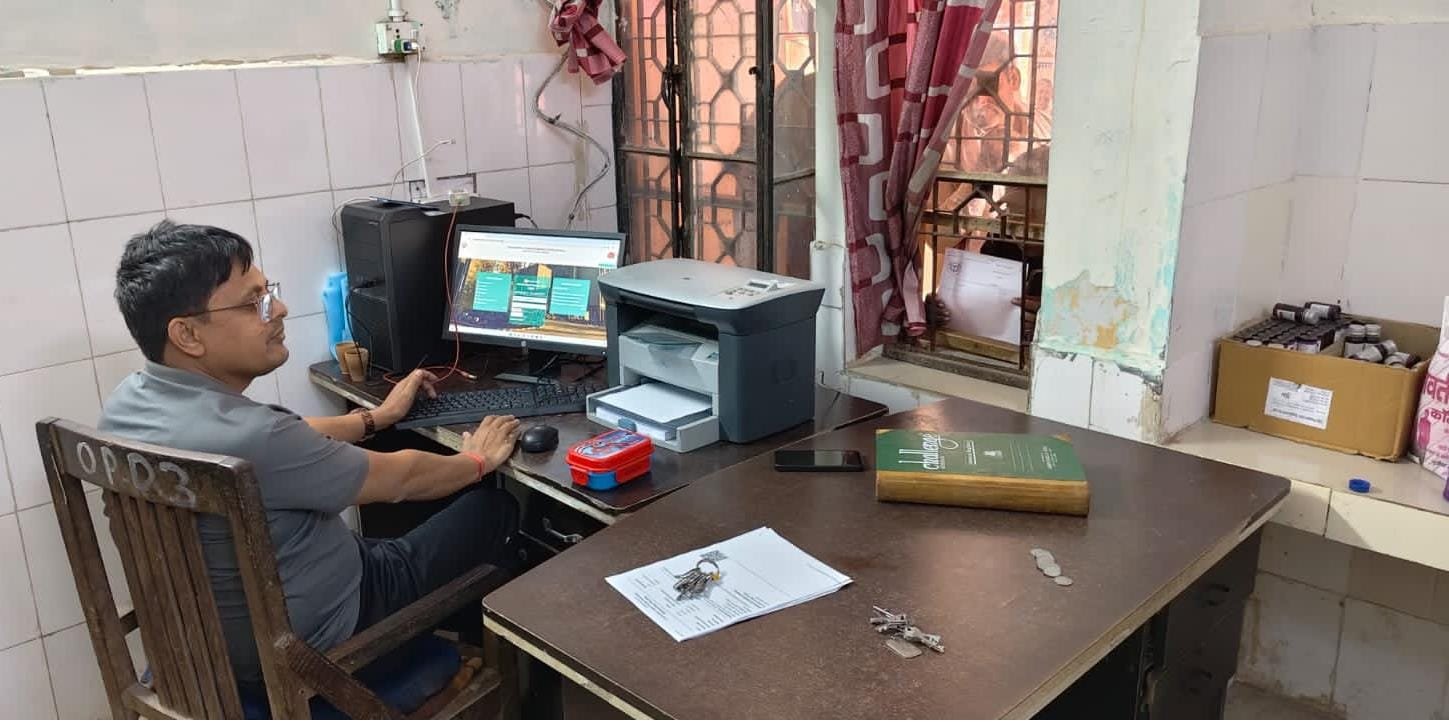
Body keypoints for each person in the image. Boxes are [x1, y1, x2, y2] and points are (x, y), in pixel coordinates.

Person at [97, 220, 522, 688]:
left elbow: (287, 436)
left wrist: (374, 419)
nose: (278, 308)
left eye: (269, 292)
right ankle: (475, 674)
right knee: (492, 508)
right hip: (316, 652)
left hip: (203, 650)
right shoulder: (256, 439)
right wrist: (476, 461)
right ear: (188, 335)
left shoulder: (127, 407)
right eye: (253, 302)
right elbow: (401, 479)